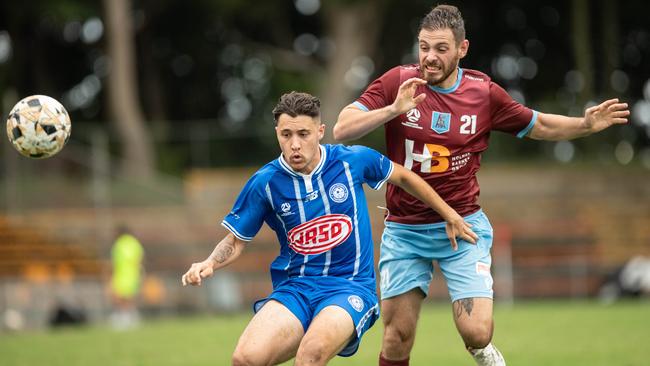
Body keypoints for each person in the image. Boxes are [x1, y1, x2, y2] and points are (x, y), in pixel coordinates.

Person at [333, 5, 630, 366]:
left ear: (462, 49)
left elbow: (538, 125)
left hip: (462, 225)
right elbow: (342, 129)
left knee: (476, 332)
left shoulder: (483, 94)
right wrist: (393, 109)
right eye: (424, 47)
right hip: (405, 229)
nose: (430, 57)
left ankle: (484, 350)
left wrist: (583, 125)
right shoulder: (399, 82)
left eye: (441, 48)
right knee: (397, 338)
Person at [182, 91, 477, 366]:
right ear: (277, 135)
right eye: (286, 135)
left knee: (310, 356)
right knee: (245, 359)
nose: (294, 144)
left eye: (303, 134)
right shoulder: (265, 182)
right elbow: (236, 240)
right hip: (295, 289)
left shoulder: (351, 161)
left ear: (320, 132)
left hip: (349, 287)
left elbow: (404, 177)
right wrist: (209, 263)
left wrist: (449, 213)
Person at [110, 225, 145, 330]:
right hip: (134, 274)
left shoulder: (118, 244)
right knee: (130, 297)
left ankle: (124, 318)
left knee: (120, 297)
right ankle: (130, 317)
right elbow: (140, 258)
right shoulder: (134, 243)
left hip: (121, 274)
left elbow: (115, 261)